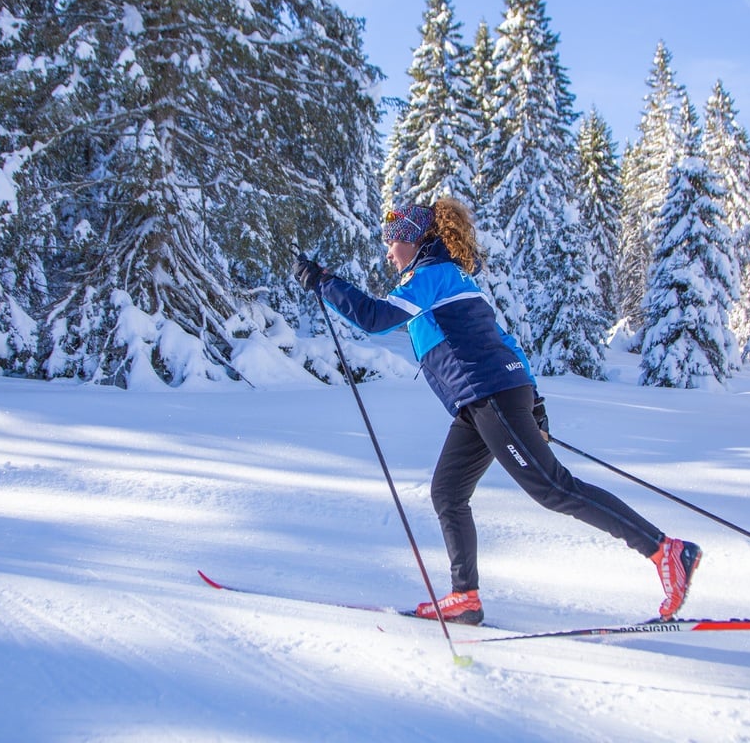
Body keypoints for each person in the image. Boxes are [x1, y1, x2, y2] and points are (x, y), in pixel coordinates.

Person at [293, 197, 701, 625]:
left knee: (553, 487)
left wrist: (324, 281)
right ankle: (465, 597)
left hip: (490, 395)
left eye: (393, 242)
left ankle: (665, 550)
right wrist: (535, 405)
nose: (388, 253)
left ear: (413, 240)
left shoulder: (433, 275)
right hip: (481, 402)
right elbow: (505, 341)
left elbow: (375, 318)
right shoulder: (447, 277)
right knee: (448, 492)